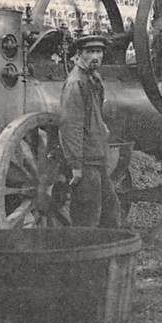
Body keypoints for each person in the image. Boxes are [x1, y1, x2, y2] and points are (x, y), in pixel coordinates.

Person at [59, 34, 119, 228]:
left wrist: (102, 129)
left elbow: (95, 115)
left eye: (99, 51)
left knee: (110, 212)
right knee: (88, 217)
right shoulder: (76, 83)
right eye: (90, 52)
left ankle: (108, 255)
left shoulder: (93, 79)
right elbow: (71, 125)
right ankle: (85, 256)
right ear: (79, 55)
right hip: (85, 162)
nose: (96, 56)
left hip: (97, 158)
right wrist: (75, 165)